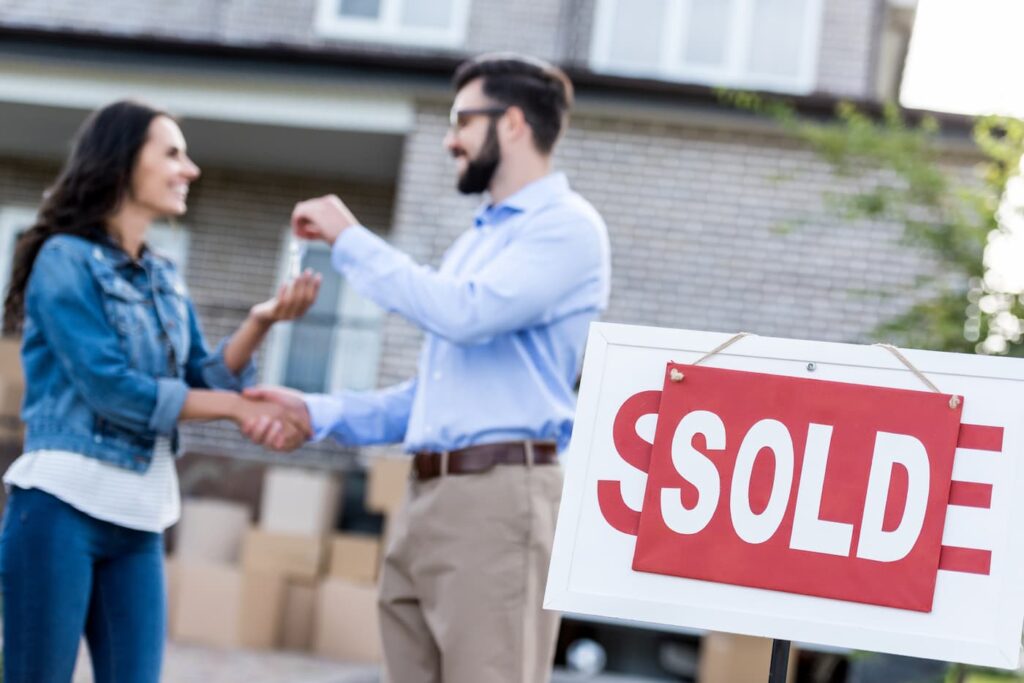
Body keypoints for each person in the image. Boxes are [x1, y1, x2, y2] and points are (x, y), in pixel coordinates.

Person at [243, 53, 611, 682]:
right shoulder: (476, 242)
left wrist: (350, 240)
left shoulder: (567, 230)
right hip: (425, 499)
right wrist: (319, 411)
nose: (450, 139)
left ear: (514, 123)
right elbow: (439, 397)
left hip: (500, 500)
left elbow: (462, 313)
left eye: (461, 120)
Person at [0, 100, 318, 683]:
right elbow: (112, 389)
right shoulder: (63, 260)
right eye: (172, 153)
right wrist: (236, 409)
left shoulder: (164, 275)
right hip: (58, 510)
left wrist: (262, 320)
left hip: (140, 517)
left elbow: (202, 377)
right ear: (122, 164)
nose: (190, 169)